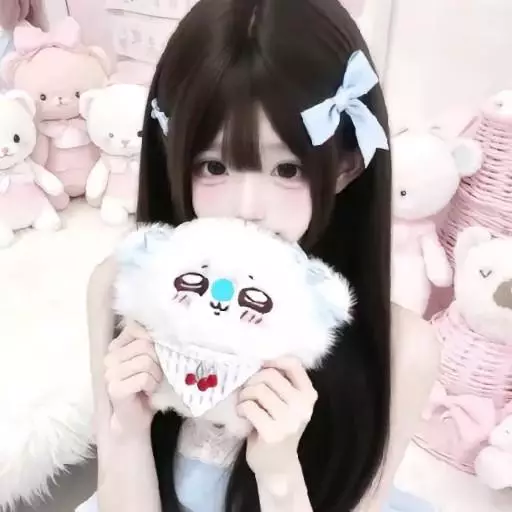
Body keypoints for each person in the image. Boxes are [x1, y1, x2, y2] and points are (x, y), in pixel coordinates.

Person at [85, 1, 439, 511]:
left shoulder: (402, 350)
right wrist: (127, 431)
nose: (248, 208)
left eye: (288, 169)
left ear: (345, 167)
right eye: (213, 165)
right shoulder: (121, 289)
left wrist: (279, 477)